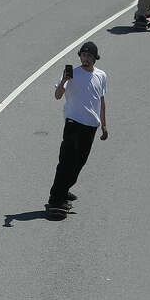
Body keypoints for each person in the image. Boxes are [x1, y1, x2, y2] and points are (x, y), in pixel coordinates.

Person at [47, 41, 108, 213]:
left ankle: (64, 190)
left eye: (89, 56)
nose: (85, 59)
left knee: (79, 163)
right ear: (80, 55)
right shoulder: (72, 73)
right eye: (83, 55)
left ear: (95, 59)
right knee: (66, 162)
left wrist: (104, 125)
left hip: (90, 126)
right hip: (73, 124)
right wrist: (64, 81)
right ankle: (56, 201)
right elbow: (58, 96)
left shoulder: (101, 76)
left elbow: (101, 102)